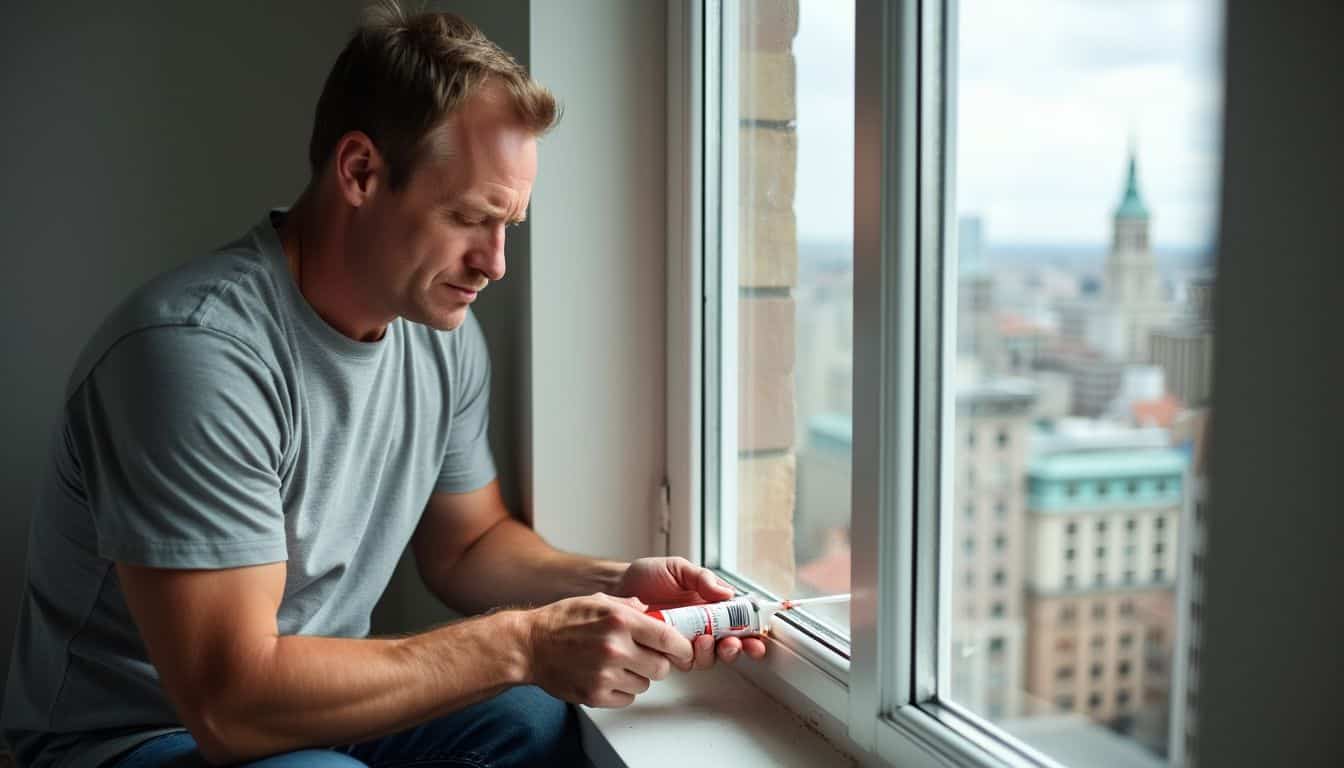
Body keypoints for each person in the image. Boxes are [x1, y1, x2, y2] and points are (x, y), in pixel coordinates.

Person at [0, 5, 765, 767]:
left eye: (510, 226)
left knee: (534, 721)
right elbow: (229, 703)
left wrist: (614, 584)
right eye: (471, 218)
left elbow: (469, 545)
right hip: (134, 738)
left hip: (303, 712)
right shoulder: (193, 355)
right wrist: (525, 640)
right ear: (360, 171)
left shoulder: (440, 336)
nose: (494, 263)